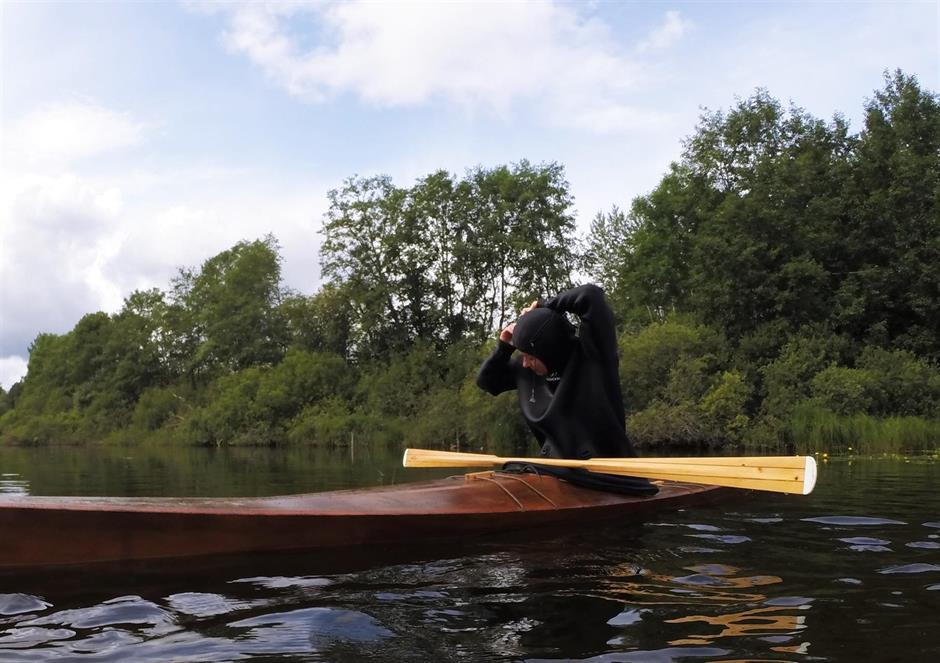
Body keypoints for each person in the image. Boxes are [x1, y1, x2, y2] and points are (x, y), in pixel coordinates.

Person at [476, 283, 657, 495]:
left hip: (609, 477)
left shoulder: (592, 356)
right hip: (554, 473)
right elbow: (488, 381)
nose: (524, 363)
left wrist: (545, 305)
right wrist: (503, 348)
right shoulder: (527, 371)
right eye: (523, 355)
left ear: (548, 349)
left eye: (530, 356)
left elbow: (591, 295)